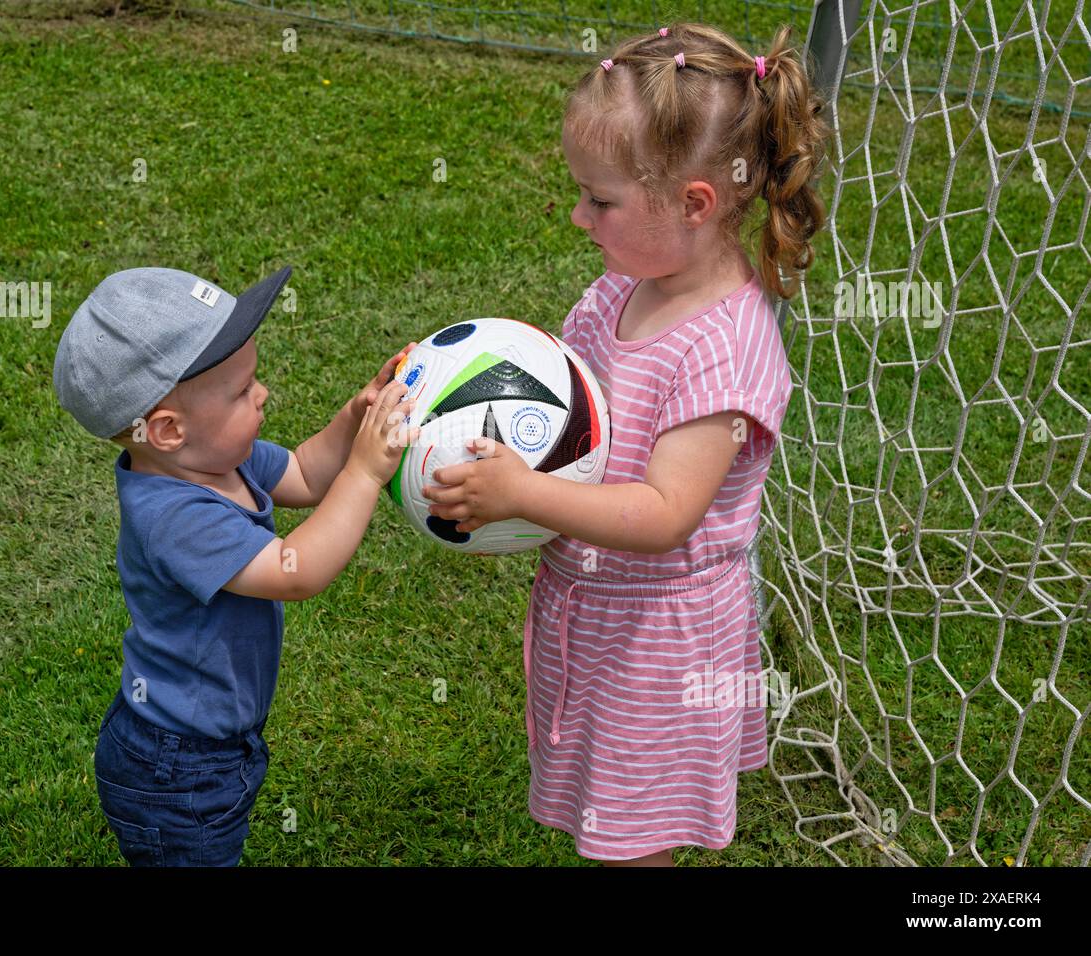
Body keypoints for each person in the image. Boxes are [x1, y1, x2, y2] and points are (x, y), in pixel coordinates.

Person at [424, 22, 832, 865]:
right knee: (601, 822)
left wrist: (524, 496)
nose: (578, 216)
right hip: (593, 614)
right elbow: (577, 417)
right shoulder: (620, 291)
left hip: (662, 643)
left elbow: (664, 513)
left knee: (632, 840)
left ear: (694, 203)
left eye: (600, 199)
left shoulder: (726, 346)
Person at [52, 264, 418, 865]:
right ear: (169, 430)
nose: (263, 393)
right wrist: (366, 472)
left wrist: (355, 420)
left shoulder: (220, 461)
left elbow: (303, 471)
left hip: (213, 744)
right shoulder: (174, 515)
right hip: (176, 766)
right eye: (242, 391)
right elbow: (297, 570)